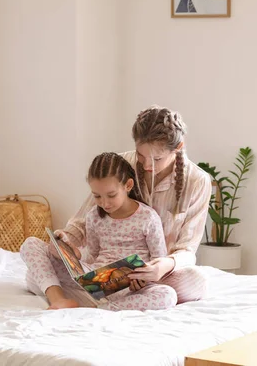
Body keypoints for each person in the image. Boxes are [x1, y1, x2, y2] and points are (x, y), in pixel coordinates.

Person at [59, 105, 211, 304]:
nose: (147, 165)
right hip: (108, 269)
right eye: (141, 155)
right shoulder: (122, 163)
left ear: (177, 148)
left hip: (157, 273)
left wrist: (164, 266)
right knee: (43, 254)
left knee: (196, 282)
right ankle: (103, 292)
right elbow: (86, 216)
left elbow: (187, 249)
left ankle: (111, 298)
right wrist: (65, 240)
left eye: (157, 158)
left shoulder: (197, 181)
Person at [20, 152, 178, 311]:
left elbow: (159, 260)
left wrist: (144, 279)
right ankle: (59, 299)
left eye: (111, 195)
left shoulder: (148, 217)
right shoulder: (94, 217)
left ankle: (102, 309)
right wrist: (73, 253)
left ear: (128, 186)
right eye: (97, 196)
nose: (105, 203)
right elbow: (92, 256)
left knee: (168, 295)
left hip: (130, 288)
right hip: (95, 282)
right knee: (31, 245)